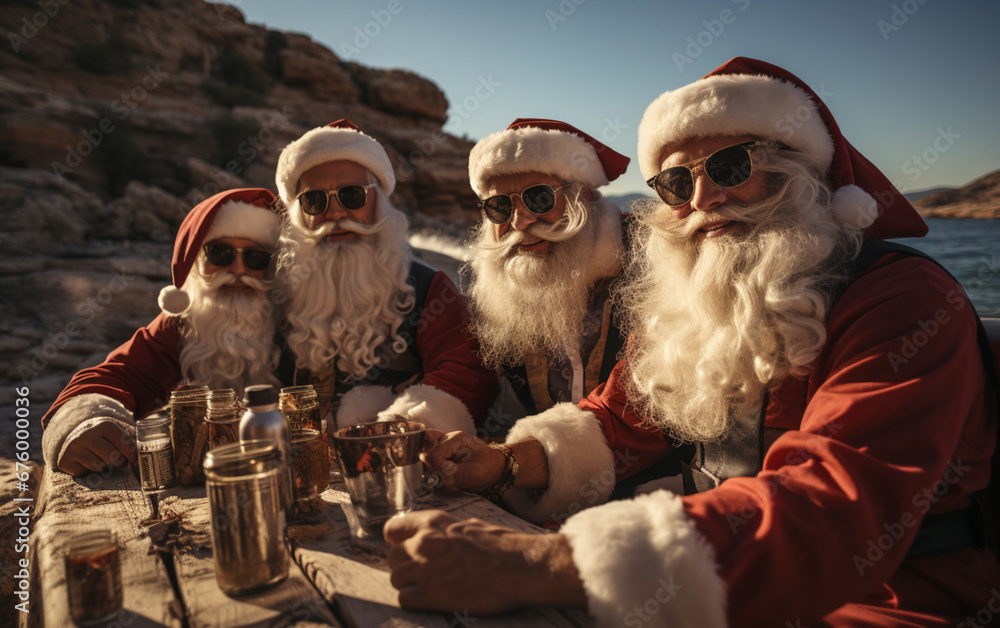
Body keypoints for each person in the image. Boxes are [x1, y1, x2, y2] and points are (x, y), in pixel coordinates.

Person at [384, 58, 1000, 626]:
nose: (703, 199)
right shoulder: (694, 305)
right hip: (704, 582)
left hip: (884, 601)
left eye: (731, 167)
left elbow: (836, 504)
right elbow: (619, 420)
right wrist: (507, 462)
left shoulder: (901, 300)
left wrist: (539, 564)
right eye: (676, 184)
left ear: (800, 171)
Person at [274, 119, 497, 434]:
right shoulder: (277, 292)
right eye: (315, 201)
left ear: (379, 202)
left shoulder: (429, 289)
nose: (336, 214)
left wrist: (399, 426)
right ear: (299, 215)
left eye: (352, 196)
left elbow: (464, 375)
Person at [41, 188, 284, 476]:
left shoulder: (303, 320)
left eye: (256, 258)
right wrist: (83, 422)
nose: (239, 269)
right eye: (220, 253)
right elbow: (115, 375)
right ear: (197, 263)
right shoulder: (184, 324)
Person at [464, 118, 631, 437]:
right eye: (500, 206)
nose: (520, 222)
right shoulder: (491, 288)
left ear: (583, 195)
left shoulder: (645, 258)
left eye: (538, 198)